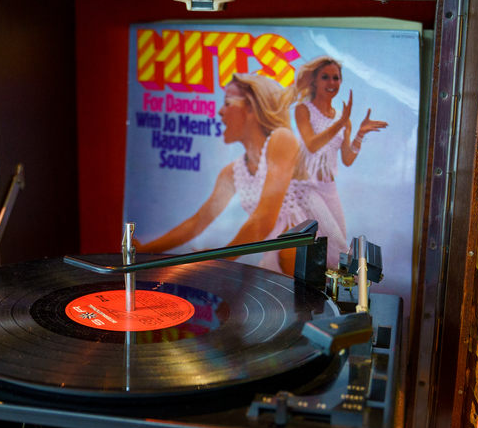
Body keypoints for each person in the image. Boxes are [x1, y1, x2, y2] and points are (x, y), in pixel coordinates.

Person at [139, 73, 340, 276]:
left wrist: (221, 259)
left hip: (312, 255)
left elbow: (264, 219)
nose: (220, 111)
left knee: (288, 256)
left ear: (251, 107)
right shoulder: (232, 172)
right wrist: (143, 251)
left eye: (228, 103)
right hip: (279, 255)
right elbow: (196, 223)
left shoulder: (282, 139)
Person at [289, 56, 388, 259]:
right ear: (314, 81)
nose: (331, 82)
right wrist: (340, 123)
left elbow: (347, 159)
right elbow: (312, 144)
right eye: (325, 77)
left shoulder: (343, 119)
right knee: (339, 246)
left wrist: (360, 134)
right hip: (306, 187)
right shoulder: (303, 110)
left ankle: (328, 280)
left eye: (336, 78)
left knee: (339, 244)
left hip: (329, 189)